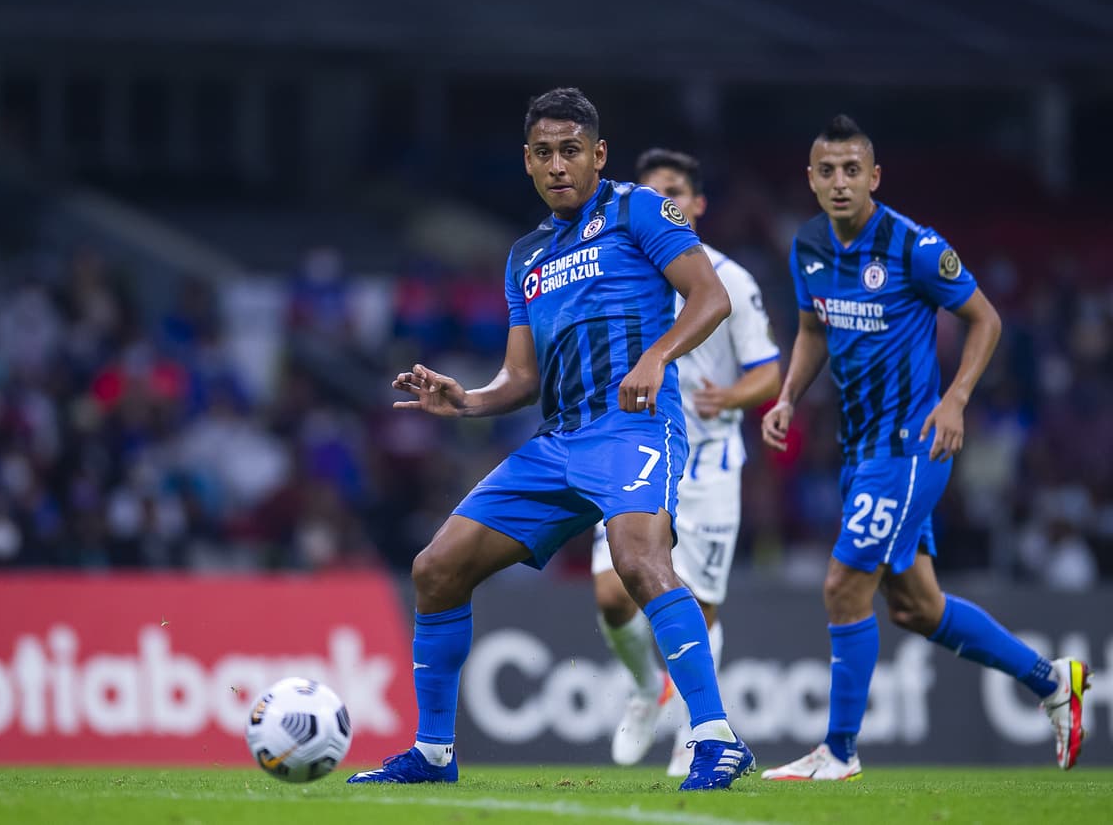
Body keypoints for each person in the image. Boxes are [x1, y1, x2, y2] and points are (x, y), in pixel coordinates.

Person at [348, 88, 754, 791]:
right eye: (544, 153)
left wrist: (656, 357)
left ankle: (716, 737)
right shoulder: (526, 256)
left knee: (638, 560)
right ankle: (434, 753)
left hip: (631, 428)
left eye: (571, 150)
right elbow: (522, 378)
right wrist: (468, 399)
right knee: (436, 568)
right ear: (528, 162)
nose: (558, 165)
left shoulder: (639, 209)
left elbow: (710, 297)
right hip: (559, 440)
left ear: (598, 154)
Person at [759, 115, 1090, 780]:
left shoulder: (913, 246)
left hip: (911, 448)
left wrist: (957, 398)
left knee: (843, 583)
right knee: (917, 607)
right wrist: (789, 395)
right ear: (811, 179)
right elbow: (812, 330)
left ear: (874, 177)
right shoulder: (809, 245)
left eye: (853, 170)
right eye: (828, 171)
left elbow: (985, 319)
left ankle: (839, 751)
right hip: (859, 451)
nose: (840, 181)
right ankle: (1053, 680)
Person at [590, 149, 779, 776]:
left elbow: (767, 371)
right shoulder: (619, 269)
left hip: (707, 466)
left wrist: (731, 397)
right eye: (650, 194)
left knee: (700, 604)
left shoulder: (730, 279)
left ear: (697, 204)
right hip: (635, 453)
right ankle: (647, 687)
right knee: (612, 596)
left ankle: (695, 734)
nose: (661, 203)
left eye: (673, 191)